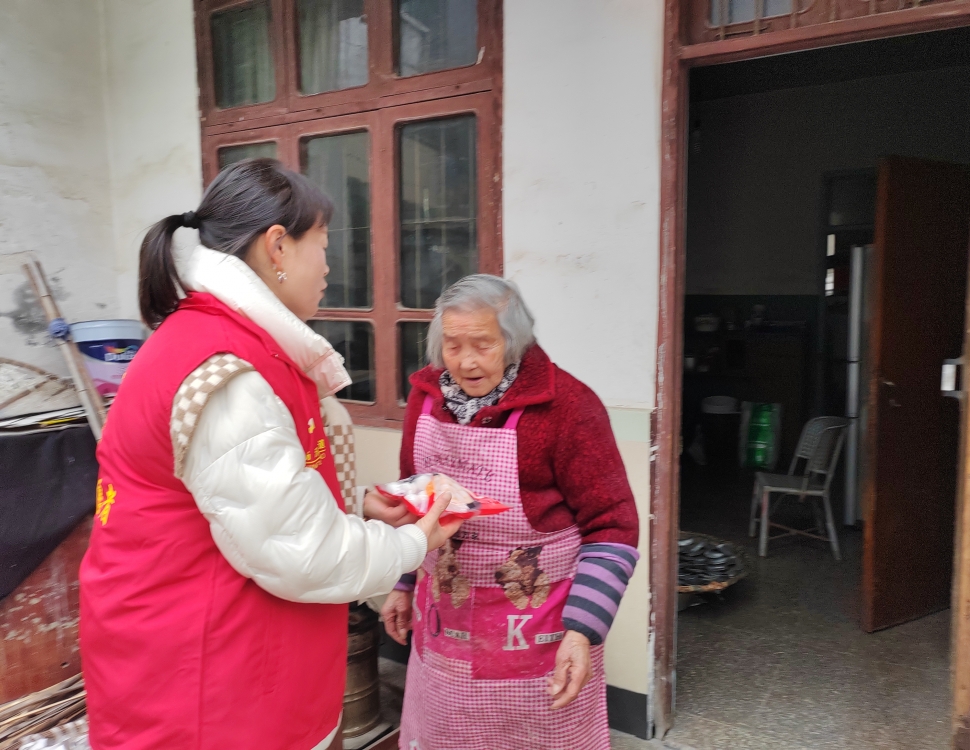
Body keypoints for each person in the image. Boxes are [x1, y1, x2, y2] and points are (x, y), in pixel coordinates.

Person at [78, 159, 461, 750]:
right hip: (208, 692)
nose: (331, 268)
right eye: (324, 246)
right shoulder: (230, 373)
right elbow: (301, 552)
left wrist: (357, 504)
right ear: (277, 247)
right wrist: (415, 543)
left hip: (213, 663)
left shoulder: (231, 344)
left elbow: (247, 491)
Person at [368, 275, 641, 750]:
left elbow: (612, 527)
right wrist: (403, 583)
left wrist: (582, 633)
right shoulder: (425, 400)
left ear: (515, 343)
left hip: (540, 634)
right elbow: (416, 500)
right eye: (452, 346)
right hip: (444, 628)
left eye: (483, 345)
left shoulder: (570, 407)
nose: (466, 361)